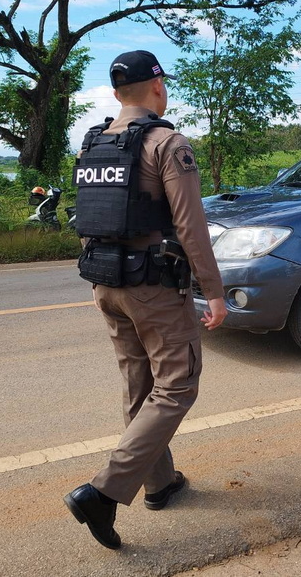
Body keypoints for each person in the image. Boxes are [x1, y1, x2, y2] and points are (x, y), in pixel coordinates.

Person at [63, 50, 227, 550]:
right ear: (158, 86)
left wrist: (104, 274)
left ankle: (159, 483)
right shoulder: (167, 143)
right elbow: (191, 227)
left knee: (140, 384)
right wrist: (213, 292)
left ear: (116, 93)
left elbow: (87, 217)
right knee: (177, 386)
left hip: (105, 281)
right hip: (153, 286)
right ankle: (103, 491)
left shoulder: (93, 143)